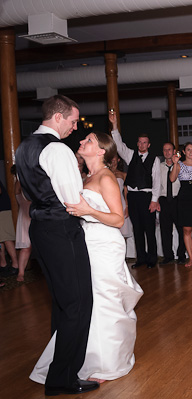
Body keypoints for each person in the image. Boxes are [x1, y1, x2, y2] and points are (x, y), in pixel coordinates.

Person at [31, 131, 143, 384]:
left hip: (104, 244)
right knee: (85, 301)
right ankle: (81, 358)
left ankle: (105, 363)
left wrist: (88, 210)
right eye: (82, 140)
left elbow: (117, 218)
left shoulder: (106, 178)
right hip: (85, 242)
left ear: (102, 151)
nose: (82, 142)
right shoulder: (85, 177)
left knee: (103, 299)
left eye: (89, 140)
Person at [15, 94, 98, 396]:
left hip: (40, 227)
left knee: (63, 303)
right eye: (73, 121)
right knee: (79, 303)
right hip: (62, 229)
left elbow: (26, 192)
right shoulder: (57, 150)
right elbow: (72, 200)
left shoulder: (24, 147)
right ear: (59, 117)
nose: (75, 128)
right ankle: (63, 378)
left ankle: (58, 372)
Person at [110, 111, 160, 269]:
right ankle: (141, 259)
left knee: (149, 230)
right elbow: (118, 145)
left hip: (147, 198)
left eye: (145, 143)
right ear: (137, 143)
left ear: (149, 144)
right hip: (132, 197)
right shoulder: (130, 155)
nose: (142, 145)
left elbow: (157, 181)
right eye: (140, 142)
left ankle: (152, 259)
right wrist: (114, 126)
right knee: (137, 229)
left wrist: (154, 200)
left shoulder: (155, 159)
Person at [158, 142, 186, 265]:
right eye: (165, 150)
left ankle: (181, 255)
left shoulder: (181, 166)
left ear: (174, 151)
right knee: (165, 230)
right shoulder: (158, 166)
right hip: (164, 200)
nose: (167, 152)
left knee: (181, 229)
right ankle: (168, 256)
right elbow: (156, 185)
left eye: (169, 150)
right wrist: (156, 200)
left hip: (178, 200)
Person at [10, 165, 32, 282]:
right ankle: (21, 273)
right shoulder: (19, 183)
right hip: (26, 217)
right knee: (26, 247)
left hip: (34, 216)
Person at [109, 156, 134, 239]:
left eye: (114, 160)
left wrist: (127, 206)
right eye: (111, 160)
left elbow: (126, 192)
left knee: (123, 232)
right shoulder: (105, 173)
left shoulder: (123, 174)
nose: (113, 162)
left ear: (118, 160)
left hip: (121, 202)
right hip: (108, 203)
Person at [0, 180, 18, 277]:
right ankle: (3, 264)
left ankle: (15, 265)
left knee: (6, 238)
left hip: (2, 210)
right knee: (1, 239)